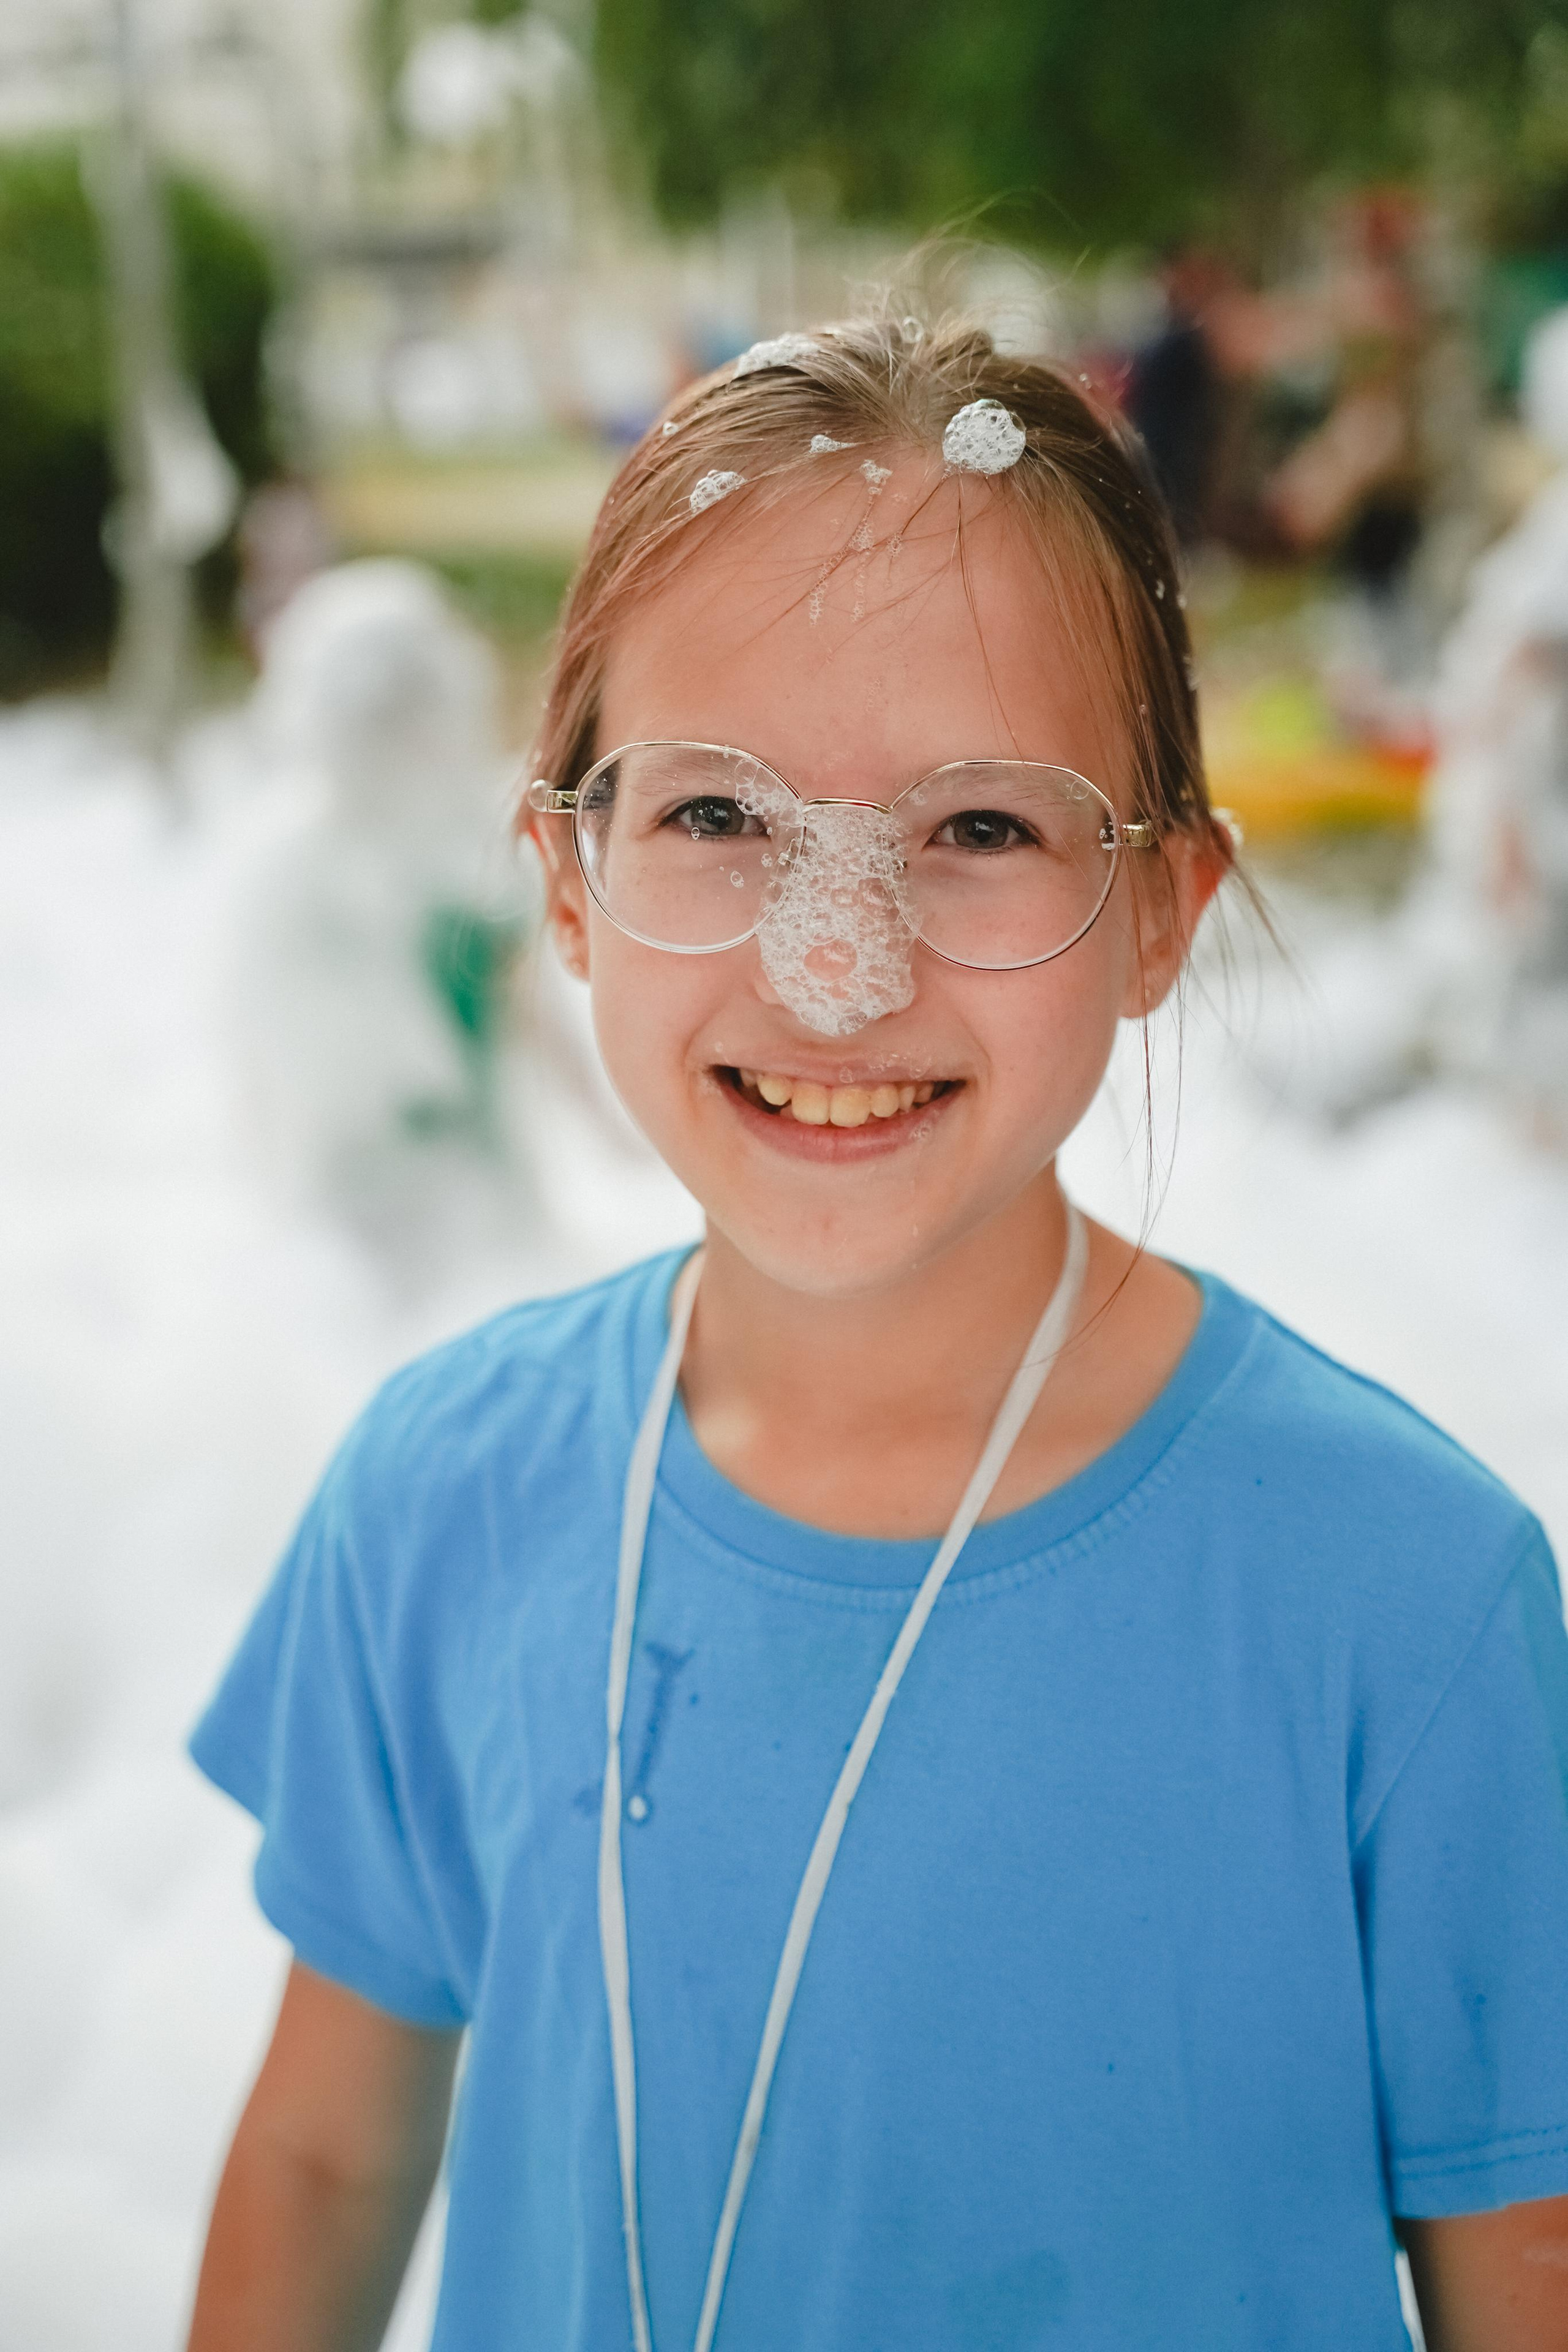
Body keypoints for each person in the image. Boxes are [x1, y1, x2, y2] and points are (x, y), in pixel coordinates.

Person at [185, 317, 1568, 2352]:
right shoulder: (441, 1497)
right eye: (723, 819)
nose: (838, 965)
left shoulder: (1407, 1602)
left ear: (1166, 908)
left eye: (983, 829)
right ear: (565, 878)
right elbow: (324, 2162)